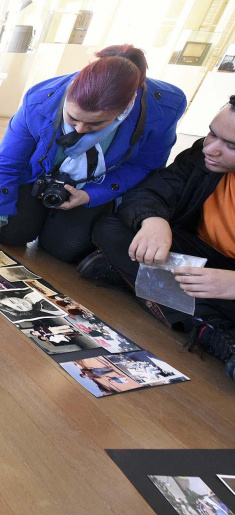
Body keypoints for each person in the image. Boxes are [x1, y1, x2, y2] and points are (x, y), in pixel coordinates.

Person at [0, 45, 187, 263]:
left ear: (128, 106)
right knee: (10, 232)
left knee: (68, 248)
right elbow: (8, 162)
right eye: (72, 118)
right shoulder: (40, 98)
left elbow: (145, 166)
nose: (80, 130)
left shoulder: (164, 107)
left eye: (96, 124)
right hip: (38, 177)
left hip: (96, 183)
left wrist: (91, 195)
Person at [80, 96, 235, 380]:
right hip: (195, 257)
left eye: (231, 146)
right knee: (112, 228)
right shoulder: (203, 154)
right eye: (212, 132)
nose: (211, 148)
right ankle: (206, 322)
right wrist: (152, 220)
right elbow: (151, 191)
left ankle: (193, 317)